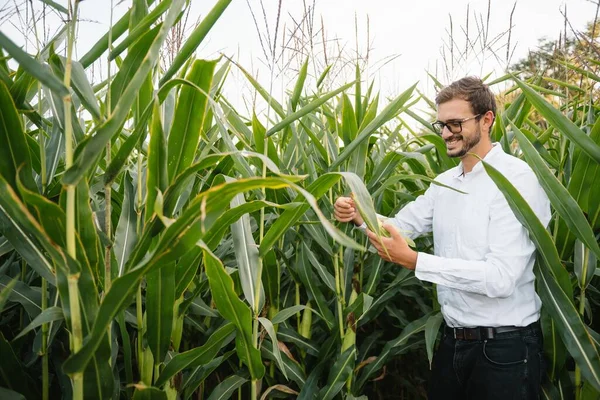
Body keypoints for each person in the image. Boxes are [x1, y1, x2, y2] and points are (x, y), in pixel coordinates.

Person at [334, 77, 551, 400]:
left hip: (505, 349)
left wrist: (415, 261)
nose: (447, 133)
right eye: (442, 125)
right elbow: (400, 227)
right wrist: (359, 216)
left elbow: (502, 278)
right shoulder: (444, 183)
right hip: (453, 344)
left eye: (455, 123)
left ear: (487, 119)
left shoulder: (516, 180)